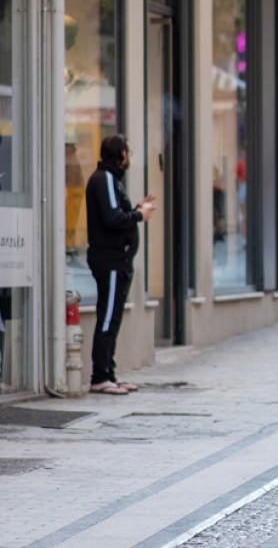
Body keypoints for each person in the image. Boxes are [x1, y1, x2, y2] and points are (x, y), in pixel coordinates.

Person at [85, 135, 157, 395]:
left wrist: (137, 207)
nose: (129, 157)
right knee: (107, 318)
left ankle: (109, 375)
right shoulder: (104, 178)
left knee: (112, 318)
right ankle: (100, 376)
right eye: (128, 152)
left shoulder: (110, 179)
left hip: (116, 261)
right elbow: (113, 218)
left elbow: (115, 213)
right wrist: (139, 215)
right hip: (111, 261)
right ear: (122, 155)